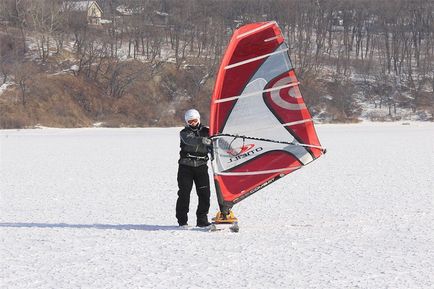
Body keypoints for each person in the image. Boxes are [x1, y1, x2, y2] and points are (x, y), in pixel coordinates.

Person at [176, 109, 213, 227]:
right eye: (190, 121)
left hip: (201, 167)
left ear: (199, 119)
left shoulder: (207, 131)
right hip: (185, 167)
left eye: (194, 121)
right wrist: (202, 140)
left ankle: (202, 220)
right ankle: (182, 221)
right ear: (187, 122)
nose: (193, 123)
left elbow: (216, 141)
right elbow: (190, 140)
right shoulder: (184, 133)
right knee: (184, 194)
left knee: (204, 194)